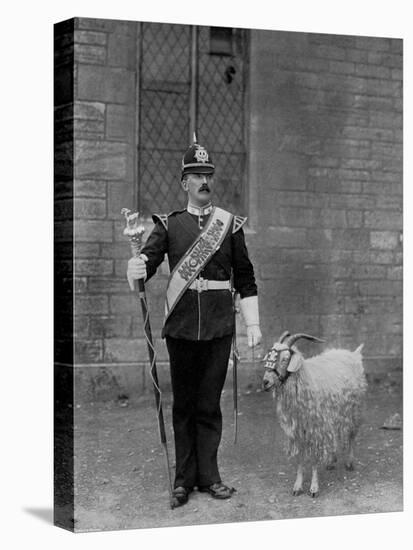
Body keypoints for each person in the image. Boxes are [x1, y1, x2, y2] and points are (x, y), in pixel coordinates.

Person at [127, 136, 262, 507]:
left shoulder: (229, 226)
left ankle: (210, 476)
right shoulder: (169, 226)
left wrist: (253, 325)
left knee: (209, 404)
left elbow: (246, 278)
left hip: (219, 327)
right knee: (184, 404)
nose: (204, 181)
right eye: (196, 175)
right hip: (183, 328)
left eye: (208, 174)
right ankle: (183, 480)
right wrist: (136, 266)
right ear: (184, 182)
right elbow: (148, 265)